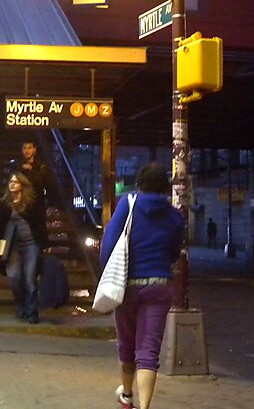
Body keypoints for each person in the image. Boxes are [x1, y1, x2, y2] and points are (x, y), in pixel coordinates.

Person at [99, 162, 184, 409]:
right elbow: (174, 252)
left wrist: (106, 273)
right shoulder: (175, 216)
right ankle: (145, 406)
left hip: (127, 286)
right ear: (165, 186)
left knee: (126, 345)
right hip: (159, 285)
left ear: (139, 183)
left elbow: (109, 242)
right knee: (149, 351)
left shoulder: (128, 204)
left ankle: (127, 395)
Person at [0, 171, 49, 324]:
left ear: (22, 185)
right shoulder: (4, 205)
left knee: (30, 279)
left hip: (31, 244)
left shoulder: (31, 203)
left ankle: (32, 312)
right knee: (13, 276)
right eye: (10, 181)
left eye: (15, 182)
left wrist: (44, 244)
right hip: (13, 246)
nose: (12, 184)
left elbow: (40, 224)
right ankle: (20, 303)